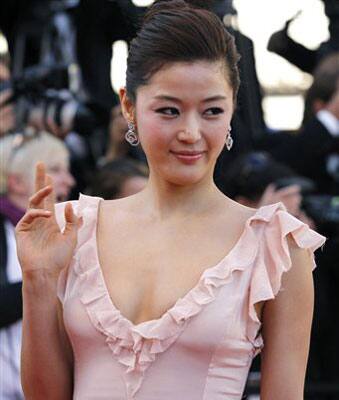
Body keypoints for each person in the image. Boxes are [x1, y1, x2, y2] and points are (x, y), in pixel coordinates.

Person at [15, 1, 327, 399]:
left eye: (212, 110)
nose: (191, 132)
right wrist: (37, 282)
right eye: (168, 111)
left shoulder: (275, 247)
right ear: (128, 105)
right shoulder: (74, 229)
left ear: (233, 108)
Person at [0, 131, 74, 400]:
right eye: (56, 169)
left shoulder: (71, 230)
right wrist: (40, 277)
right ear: (16, 182)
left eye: (67, 169)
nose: (69, 180)